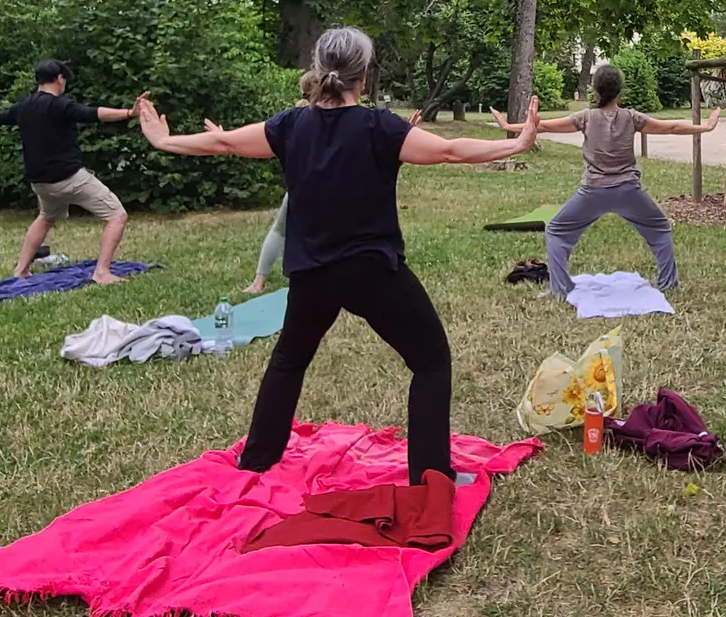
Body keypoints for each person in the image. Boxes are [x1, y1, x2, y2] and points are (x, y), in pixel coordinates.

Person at [136, 26, 538, 486]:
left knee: (289, 360)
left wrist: (165, 141)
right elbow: (448, 151)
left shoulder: (290, 125)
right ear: (362, 76)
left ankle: (257, 462)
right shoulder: (378, 126)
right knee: (430, 361)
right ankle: (430, 476)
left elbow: (225, 142)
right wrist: (515, 142)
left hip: (312, 274)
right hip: (372, 274)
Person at [493, 63, 720, 297]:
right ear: (620, 91)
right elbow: (671, 127)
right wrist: (705, 126)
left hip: (593, 192)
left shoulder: (587, 117)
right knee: (660, 228)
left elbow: (543, 126)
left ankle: (560, 290)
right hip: (628, 191)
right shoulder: (631, 117)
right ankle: (668, 284)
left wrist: (510, 126)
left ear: (595, 91)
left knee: (557, 232)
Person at [209, 71, 423, 296]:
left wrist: (224, 139)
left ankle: (261, 281)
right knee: (291, 232)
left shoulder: (299, 117)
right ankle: (276, 280)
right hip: (318, 193)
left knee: (282, 231)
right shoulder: (311, 119)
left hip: (307, 192)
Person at [0, 60, 141, 285]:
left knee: (46, 217)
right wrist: (129, 112)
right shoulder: (60, 105)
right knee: (117, 216)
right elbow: (93, 113)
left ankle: (21, 271)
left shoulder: (23, 106)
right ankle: (102, 272)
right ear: (59, 79)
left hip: (41, 184)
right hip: (69, 179)